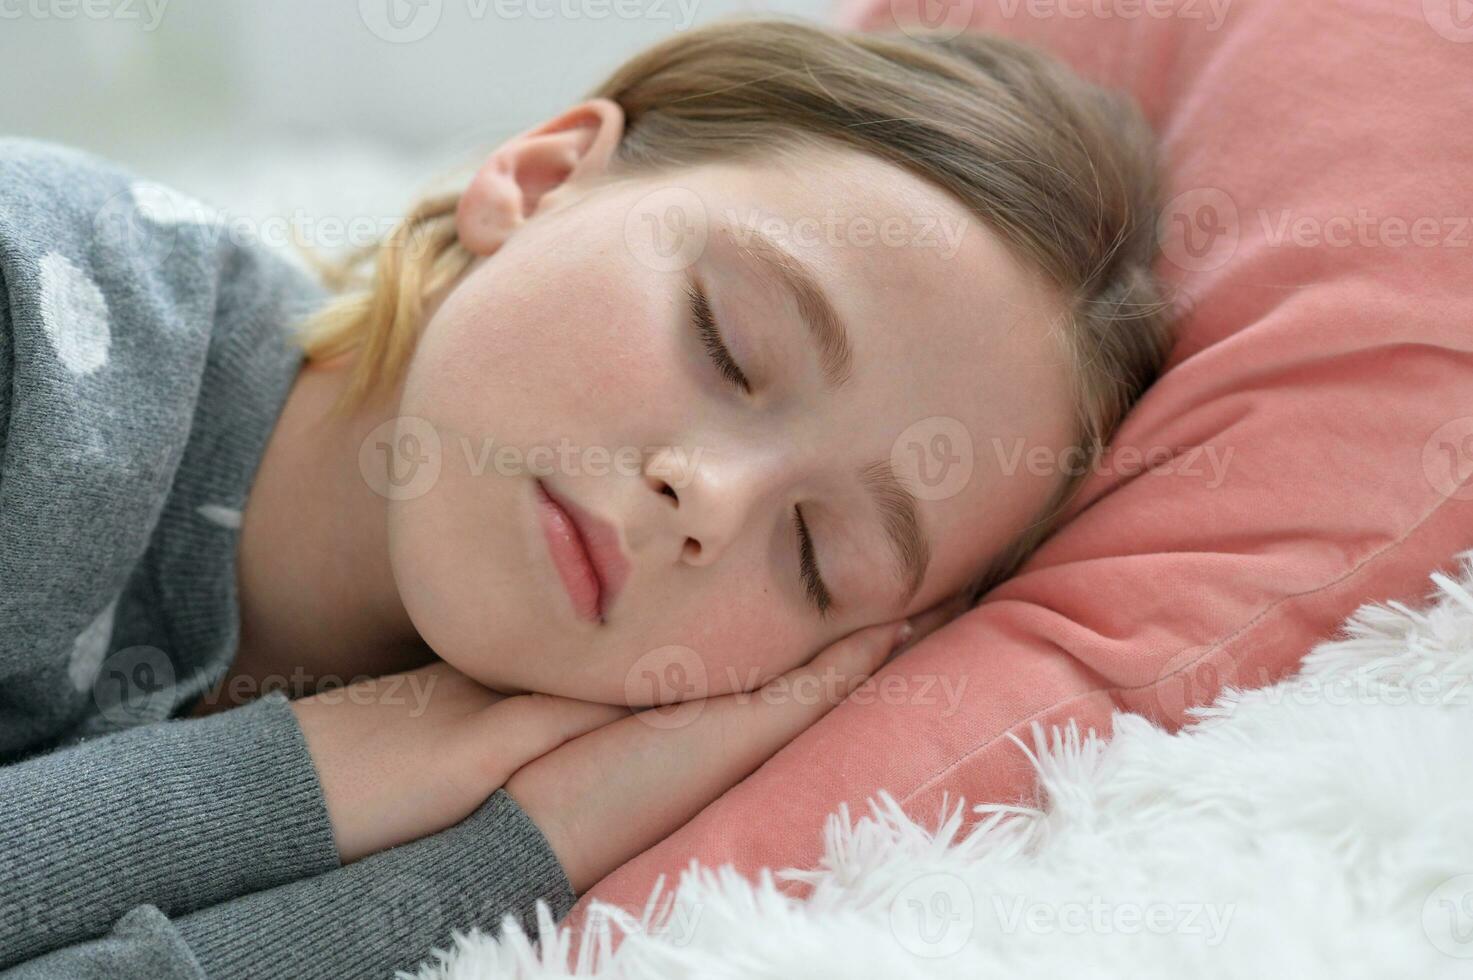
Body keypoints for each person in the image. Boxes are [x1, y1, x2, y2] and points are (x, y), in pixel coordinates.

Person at [0, 15, 1171, 978]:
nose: (707, 495)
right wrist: (325, 765)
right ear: (546, 175)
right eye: (730, 344)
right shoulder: (34, 319)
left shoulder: (495, 801)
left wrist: (525, 847)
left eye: (819, 553)